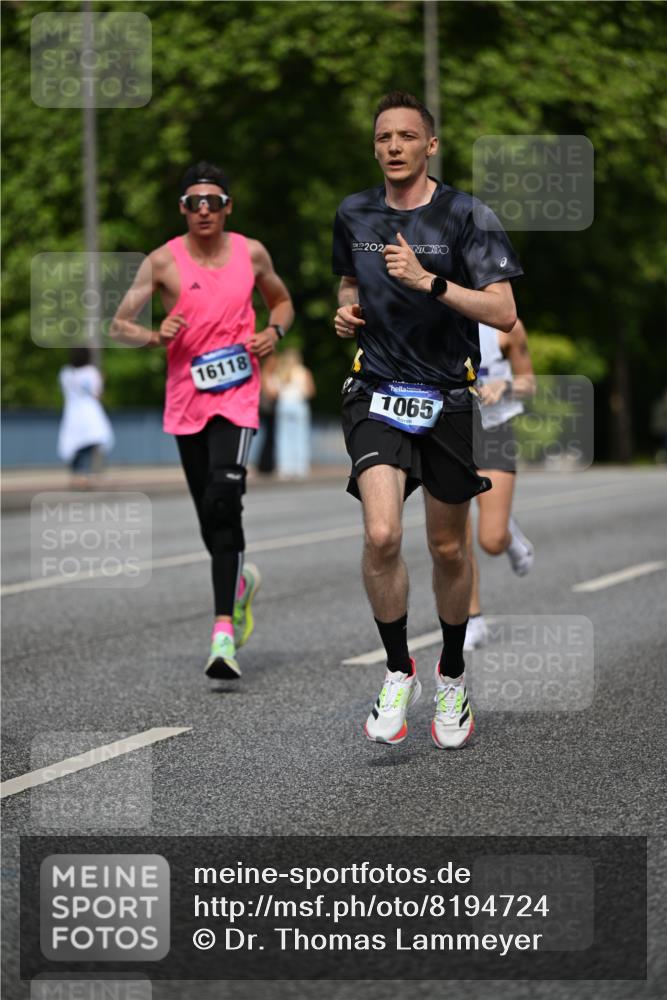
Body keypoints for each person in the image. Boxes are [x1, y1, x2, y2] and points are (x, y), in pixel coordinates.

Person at [333, 91, 522, 749]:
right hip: (375, 391)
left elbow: (501, 312)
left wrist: (428, 282)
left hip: (446, 397)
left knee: (446, 547)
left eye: (406, 136)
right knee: (381, 534)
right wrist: (345, 313)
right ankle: (395, 670)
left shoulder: (467, 215)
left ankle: (451, 675)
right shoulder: (353, 212)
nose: (392, 146)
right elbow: (348, 283)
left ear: (429, 145)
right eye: (383, 136)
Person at [111, 161, 294, 679]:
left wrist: (274, 333)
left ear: (228, 207)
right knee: (210, 520)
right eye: (195, 202)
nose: (205, 210)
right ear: (183, 209)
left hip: (237, 396)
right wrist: (154, 334)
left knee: (224, 493)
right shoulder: (162, 261)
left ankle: (221, 634)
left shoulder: (251, 252)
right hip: (186, 402)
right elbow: (119, 322)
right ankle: (240, 585)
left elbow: (281, 302)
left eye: (214, 201)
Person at [464, 319, 536, 650]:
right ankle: (473, 619)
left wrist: (502, 387)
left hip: (494, 429)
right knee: (453, 535)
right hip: (451, 429)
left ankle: (509, 534)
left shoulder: (505, 326)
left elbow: (528, 383)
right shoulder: (432, 312)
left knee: (491, 540)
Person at [57, 347, 114, 488]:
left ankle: (76, 473)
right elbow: (97, 394)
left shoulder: (66, 372)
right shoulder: (91, 372)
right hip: (89, 411)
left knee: (75, 444)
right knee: (89, 443)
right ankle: (83, 475)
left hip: (72, 412)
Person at [273, 348, 316, 479]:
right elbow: (311, 391)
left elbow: (274, 392)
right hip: (298, 404)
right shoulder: (303, 372)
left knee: (283, 437)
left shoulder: (280, 371)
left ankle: (285, 467)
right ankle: (300, 467)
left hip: (283, 405)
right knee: (301, 436)